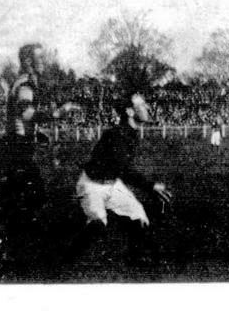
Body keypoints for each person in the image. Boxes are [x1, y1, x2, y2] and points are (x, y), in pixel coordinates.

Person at [0, 43, 77, 272]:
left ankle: (4, 249)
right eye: (40, 57)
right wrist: (57, 113)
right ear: (29, 61)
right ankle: (5, 252)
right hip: (16, 151)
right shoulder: (26, 84)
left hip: (17, 148)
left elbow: (21, 119)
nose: (44, 61)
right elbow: (26, 113)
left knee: (21, 200)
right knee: (25, 200)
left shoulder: (25, 82)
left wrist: (36, 135)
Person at [67, 92, 173, 264]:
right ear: (130, 112)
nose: (147, 108)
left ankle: (135, 259)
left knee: (138, 216)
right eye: (142, 105)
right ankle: (64, 261)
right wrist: (150, 186)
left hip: (112, 183)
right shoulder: (118, 135)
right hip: (92, 185)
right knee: (98, 225)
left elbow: (120, 169)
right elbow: (123, 169)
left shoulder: (129, 133)